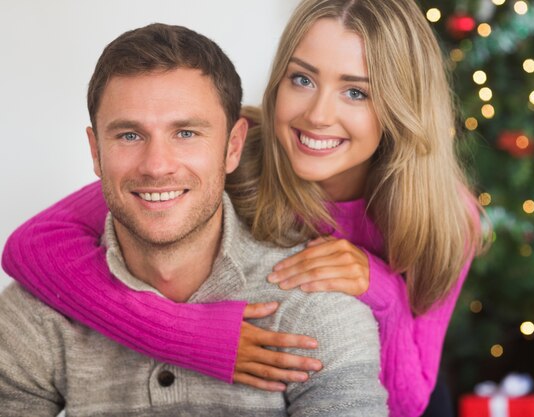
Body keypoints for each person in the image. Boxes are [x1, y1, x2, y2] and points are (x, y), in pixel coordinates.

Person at [2, 0, 485, 415]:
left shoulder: (446, 216)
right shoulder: (237, 154)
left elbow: (408, 402)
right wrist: (186, 336)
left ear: (402, 105)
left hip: (402, 385)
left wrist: (379, 289)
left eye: (356, 91)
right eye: (302, 79)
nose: (318, 114)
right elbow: (31, 246)